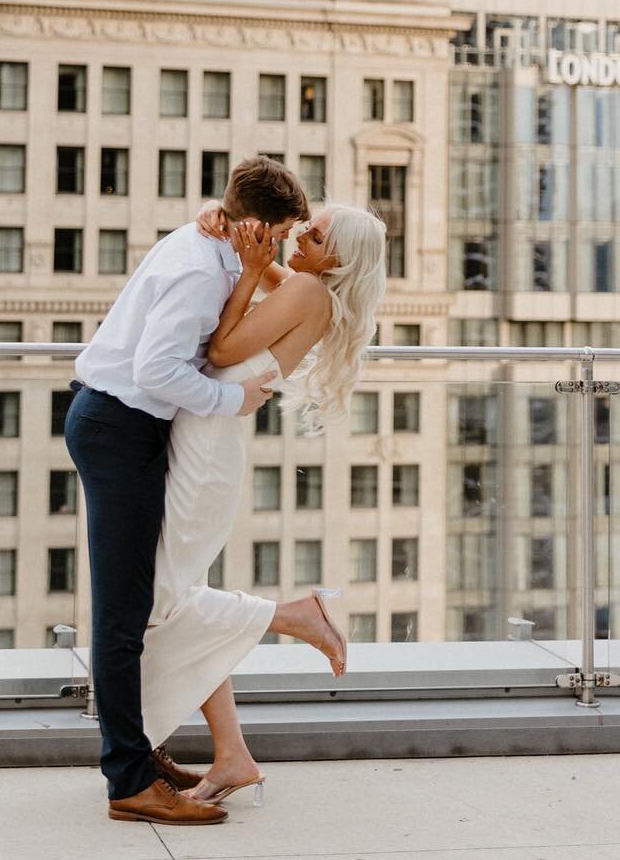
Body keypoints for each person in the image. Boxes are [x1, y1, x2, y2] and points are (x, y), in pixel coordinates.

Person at [63, 158, 308, 828]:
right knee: (123, 614)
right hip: (117, 427)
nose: (282, 246)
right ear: (254, 224)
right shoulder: (202, 268)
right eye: (279, 234)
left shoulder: (212, 247)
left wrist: (246, 249)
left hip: (123, 426)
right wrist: (230, 401)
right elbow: (157, 368)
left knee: (138, 605)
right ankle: (129, 781)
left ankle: (139, 756)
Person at [138, 199, 388, 807]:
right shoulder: (308, 288)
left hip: (206, 454)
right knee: (171, 598)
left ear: (339, 256)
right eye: (304, 224)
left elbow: (221, 354)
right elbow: (269, 269)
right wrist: (223, 222)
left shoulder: (308, 292)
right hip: (206, 441)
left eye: (316, 232)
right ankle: (233, 756)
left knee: (161, 600)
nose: (301, 233)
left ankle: (296, 616)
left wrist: (250, 271)